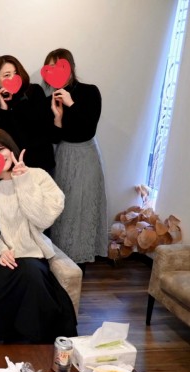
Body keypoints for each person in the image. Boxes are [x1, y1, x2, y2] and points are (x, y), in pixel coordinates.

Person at [0, 128, 77, 344]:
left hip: (32, 254)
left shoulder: (37, 176)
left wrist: (23, 182)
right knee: (12, 275)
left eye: (0, 149)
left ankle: (26, 344)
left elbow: (43, 220)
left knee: (31, 273)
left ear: (11, 148)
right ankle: (2, 341)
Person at [44, 48, 108, 265]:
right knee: (63, 207)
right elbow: (54, 137)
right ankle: (60, 264)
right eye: (50, 68)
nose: (54, 72)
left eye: (59, 66)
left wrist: (72, 104)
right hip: (63, 155)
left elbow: (89, 128)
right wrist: (58, 118)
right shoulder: (51, 99)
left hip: (85, 156)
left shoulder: (90, 92)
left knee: (82, 207)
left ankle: (80, 264)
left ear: (70, 67)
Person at [0, 55, 55, 174]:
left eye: (15, 73)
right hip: (14, 166)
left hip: (40, 163)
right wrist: (4, 109)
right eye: (6, 75)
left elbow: (39, 125)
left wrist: (17, 98)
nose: (12, 78)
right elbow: (1, 139)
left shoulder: (34, 91)